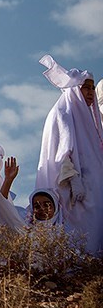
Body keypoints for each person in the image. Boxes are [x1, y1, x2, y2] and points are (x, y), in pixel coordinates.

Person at [36, 54, 103, 257]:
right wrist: (73, 179)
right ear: (75, 89)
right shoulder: (62, 113)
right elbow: (61, 151)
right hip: (72, 189)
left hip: (94, 189)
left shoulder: (92, 119)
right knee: (75, 235)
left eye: (92, 88)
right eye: (86, 87)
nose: (90, 92)